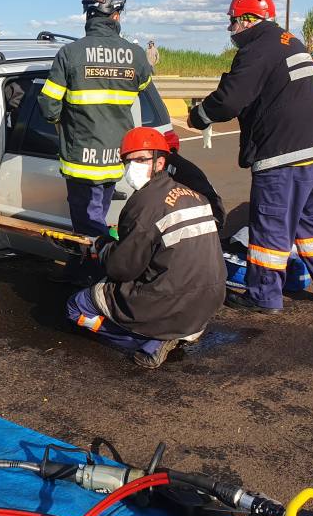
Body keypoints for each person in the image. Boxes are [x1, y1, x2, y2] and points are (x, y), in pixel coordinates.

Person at [188, 0, 313, 313]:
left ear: (247, 20)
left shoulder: (257, 48)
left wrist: (200, 115)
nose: (231, 30)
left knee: (271, 225)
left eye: (232, 23)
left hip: (284, 153)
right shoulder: (289, 41)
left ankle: (263, 297)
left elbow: (231, 99)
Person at [65, 127, 227, 368]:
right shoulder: (194, 195)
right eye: (128, 161)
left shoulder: (144, 204)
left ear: (160, 162)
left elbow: (122, 269)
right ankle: (175, 330)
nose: (133, 168)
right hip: (209, 301)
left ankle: (148, 342)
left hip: (172, 303)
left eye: (141, 160)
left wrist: (101, 247)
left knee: (76, 307)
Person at [38, 0, 153, 283]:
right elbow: (141, 88)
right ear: (116, 15)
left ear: (88, 14)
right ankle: (94, 265)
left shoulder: (70, 54)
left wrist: (60, 123)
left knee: (87, 221)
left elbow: (49, 105)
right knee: (99, 212)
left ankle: (93, 273)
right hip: (116, 154)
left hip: (80, 155)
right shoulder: (136, 55)